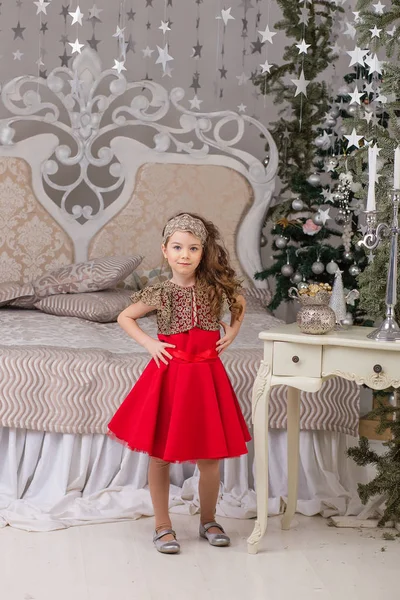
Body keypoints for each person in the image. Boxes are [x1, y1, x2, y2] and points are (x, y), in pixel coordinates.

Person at [108, 212, 251, 554]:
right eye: (177, 247)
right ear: (165, 250)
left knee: (211, 457)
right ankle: (162, 526)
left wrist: (232, 332)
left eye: (193, 248)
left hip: (206, 377)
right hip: (170, 377)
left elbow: (240, 303)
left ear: (203, 253)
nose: (184, 254)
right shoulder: (160, 292)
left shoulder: (214, 288)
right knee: (159, 455)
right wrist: (149, 343)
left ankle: (209, 519)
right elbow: (124, 316)